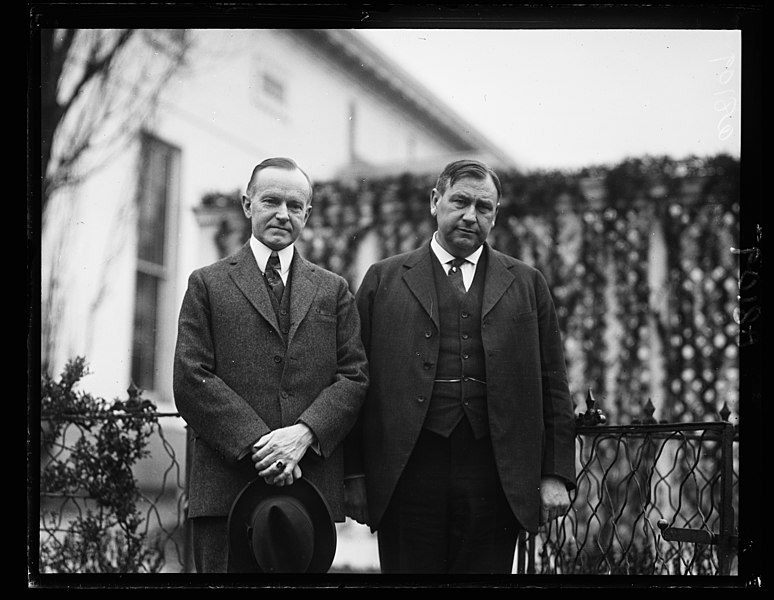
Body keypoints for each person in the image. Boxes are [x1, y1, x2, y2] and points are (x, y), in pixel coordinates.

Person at [346, 159, 577, 574]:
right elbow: (354, 382)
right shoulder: (384, 279)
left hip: (495, 473)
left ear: (495, 214)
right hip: (407, 472)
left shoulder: (526, 283)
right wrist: (354, 475)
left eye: (484, 207)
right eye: (460, 202)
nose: (471, 216)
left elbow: (553, 383)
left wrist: (555, 474)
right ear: (436, 201)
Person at [173, 157, 368, 573]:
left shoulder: (333, 290)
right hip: (225, 492)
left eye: (295, 206)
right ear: (247, 204)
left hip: (306, 494)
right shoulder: (207, 284)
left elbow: (354, 376)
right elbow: (191, 377)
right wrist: (263, 446)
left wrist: (302, 436)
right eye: (271, 201)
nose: (283, 213)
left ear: (307, 214)